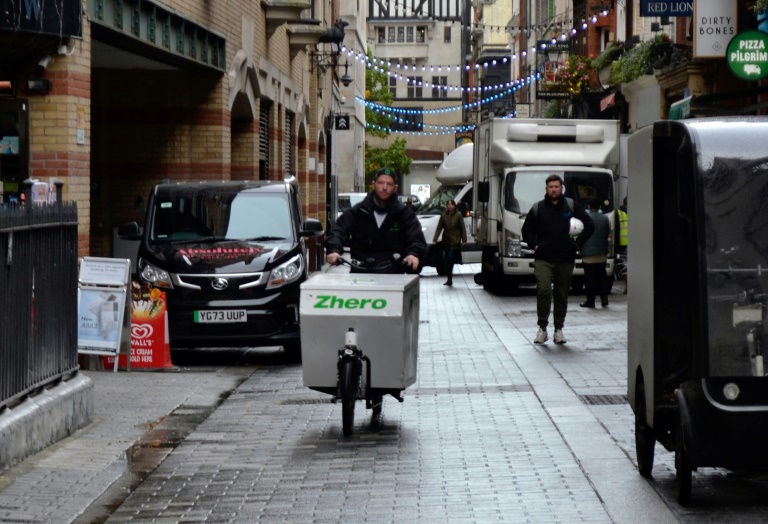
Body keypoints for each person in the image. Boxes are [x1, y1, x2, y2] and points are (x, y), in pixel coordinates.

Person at [522, 174, 594, 344]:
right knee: (544, 290)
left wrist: (577, 245)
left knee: (562, 295)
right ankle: (542, 328)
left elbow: (590, 224)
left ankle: (558, 329)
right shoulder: (537, 208)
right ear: (546, 189)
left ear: (561, 188)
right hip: (543, 258)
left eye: (557, 186)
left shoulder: (570, 205)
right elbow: (527, 230)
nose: (554, 189)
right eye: (551, 187)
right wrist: (535, 245)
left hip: (565, 258)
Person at [326, 167, 426, 272]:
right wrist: (334, 250)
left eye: (389, 184)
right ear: (374, 185)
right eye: (380, 183)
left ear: (395, 188)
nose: (384, 187)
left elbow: (417, 238)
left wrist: (413, 254)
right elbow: (338, 229)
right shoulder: (359, 211)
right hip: (361, 271)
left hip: (393, 273)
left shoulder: (404, 213)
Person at [579, 199, 610, 308]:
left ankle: (590, 301)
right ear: (600, 206)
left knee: (589, 278)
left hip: (588, 254)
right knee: (602, 276)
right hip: (602, 252)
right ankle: (604, 298)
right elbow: (607, 232)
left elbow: (581, 234)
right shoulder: (605, 218)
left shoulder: (585, 219)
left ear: (589, 206)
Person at [432, 199, 466, 286]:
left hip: (455, 241)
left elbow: (462, 228)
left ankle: (450, 278)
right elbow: (439, 228)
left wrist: (464, 239)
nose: (449, 206)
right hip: (446, 241)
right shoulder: (443, 215)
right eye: (448, 204)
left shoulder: (458, 215)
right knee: (447, 259)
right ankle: (449, 278)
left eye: (451, 204)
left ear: (454, 205)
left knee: (450, 259)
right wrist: (435, 239)